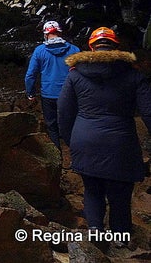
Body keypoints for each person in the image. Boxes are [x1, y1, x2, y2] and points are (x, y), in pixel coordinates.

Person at [58, 27, 151, 245]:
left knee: (92, 190)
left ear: (91, 46)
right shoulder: (133, 74)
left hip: (84, 140)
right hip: (121, 143)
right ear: (116, 46)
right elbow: (148, 112)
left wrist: (70, 140)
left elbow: (63, 110)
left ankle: (95, 232)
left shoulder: (75, 74)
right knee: (120, 193)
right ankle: (120, 238)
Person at [24, 20, 79, 149]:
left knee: (52, 125)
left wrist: (30, 93)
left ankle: (57, 156)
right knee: (71, 124)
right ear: (60, 32)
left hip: (48, 94)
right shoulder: (74, 50)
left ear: (45, 35)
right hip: (69, 94)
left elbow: (30, 75)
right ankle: (76, 156)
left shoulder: (40, 51)